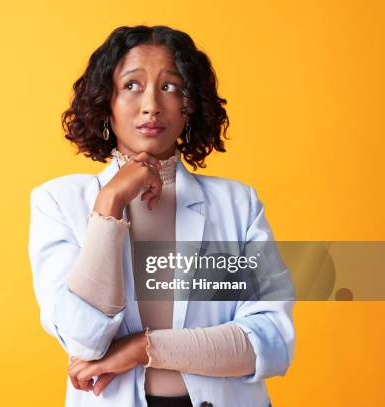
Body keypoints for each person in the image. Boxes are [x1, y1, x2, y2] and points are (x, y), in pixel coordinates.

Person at [28, 25, 294, 407]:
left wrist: (144, 347)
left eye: (170, 87)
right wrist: (110, 202)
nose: (151, 104)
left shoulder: (239, 203)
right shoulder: (58, 202)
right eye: (132, 86)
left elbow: (269, 341)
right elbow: (83, 339)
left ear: (190, 104)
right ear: (107, 102)